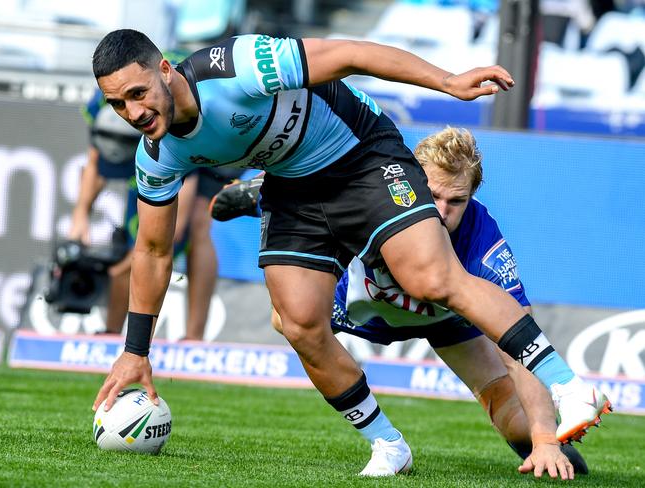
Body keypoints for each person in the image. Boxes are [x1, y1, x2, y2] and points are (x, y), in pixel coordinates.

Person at [90, 30, 610, 478]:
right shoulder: (157, 154)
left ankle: (566, 386)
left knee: (430, 277)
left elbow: (350, 53)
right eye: (118, 104)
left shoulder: (236, 66)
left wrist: (448, 82)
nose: (133, 113)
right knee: (296, 321)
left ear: (164, 69)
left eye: (138, 93)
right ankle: (389, 444)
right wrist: (136, 351)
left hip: (359, 156)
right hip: (293, 189)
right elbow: (154, 251)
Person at [212, 126, 589, 478]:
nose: (441, 212)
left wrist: (545, 440)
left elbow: (518, 347)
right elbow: (310, 220)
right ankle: (262, 193)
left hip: (445, 317)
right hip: (362, 305)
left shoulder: (481, 237)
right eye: (433, 195)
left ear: (471, 197)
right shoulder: (372, 201)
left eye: (456, 201)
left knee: (512, 413)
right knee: (287, 319)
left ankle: (544, 451)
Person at [70, 87, 239, 340]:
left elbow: (173, 229)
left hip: (211, 137)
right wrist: (80, 214)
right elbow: (95, 159)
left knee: (196, 225)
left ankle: (194, 336)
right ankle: (112, 331)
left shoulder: (170, 122)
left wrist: (130, 262)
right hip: (162, 131)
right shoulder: (102, 102)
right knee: (135, 234)